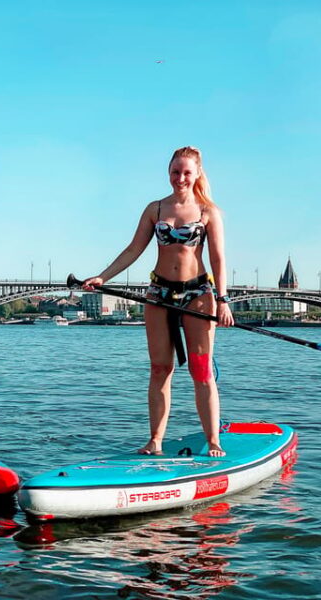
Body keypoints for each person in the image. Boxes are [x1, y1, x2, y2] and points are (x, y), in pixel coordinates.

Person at [83, 146, 234, 457]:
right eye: (175, 171)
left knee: (201, 371)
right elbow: (133, 249)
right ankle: (155, 441)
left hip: (198, 295)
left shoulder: (209, 212)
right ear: (169, 172)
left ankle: (214, 441)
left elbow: (218, 258)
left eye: (186, 172)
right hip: (159, 294)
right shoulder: (155, 209)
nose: (180, 177)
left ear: (197, 175)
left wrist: (223, 300)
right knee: (159, 369)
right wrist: (103, 277)